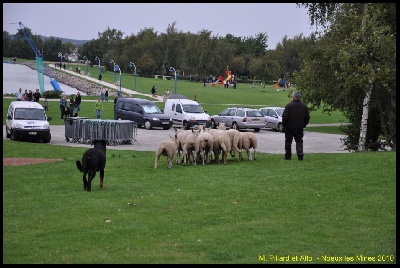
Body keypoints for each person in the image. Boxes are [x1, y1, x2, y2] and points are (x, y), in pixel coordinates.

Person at [282, 90, 310, 161]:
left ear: (293, 97)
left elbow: (285, 117)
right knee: (299, 141)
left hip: (289, 127)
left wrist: (284, 125)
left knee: (288, 142)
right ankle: (300, 154)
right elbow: (307, 117)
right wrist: (303, 124)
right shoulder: (304, 106)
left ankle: (288, 156)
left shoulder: (289, 106)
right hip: (299, 127)